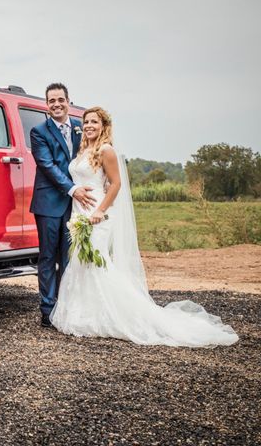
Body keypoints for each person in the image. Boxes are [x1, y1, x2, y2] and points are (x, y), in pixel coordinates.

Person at [49, 107, 239, 347]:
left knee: (96, 262)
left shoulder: (106, 150)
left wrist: (100, 211)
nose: (88, 126)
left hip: (98, 212)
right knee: (82, 261)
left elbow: (116, 184)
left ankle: (118, 316)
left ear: (103, 125)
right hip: (80, 211)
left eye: (94, 122)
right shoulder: (83, 149)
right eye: (86, 122)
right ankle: (85, 314)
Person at [30, 83, 96, 328]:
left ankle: (66, 306)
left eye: (60, 100)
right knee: (48, 257)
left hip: (76, 205)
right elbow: (47, 166)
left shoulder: (80, 128)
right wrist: (73, 189)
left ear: (69, 101)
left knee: (69, 258)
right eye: (51, 101)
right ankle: (48, 311)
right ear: (46, 105)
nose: (56, 104)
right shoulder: (39, 132)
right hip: (49, 203)